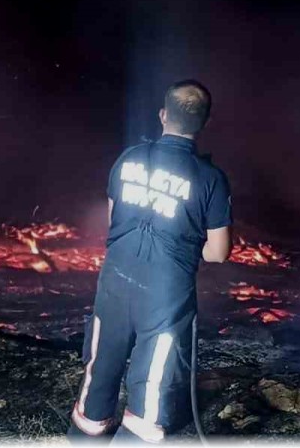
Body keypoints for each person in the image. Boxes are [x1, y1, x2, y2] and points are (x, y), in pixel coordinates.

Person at [69, 79, 233, 444]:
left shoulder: (128, 159)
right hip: (165, 296)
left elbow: (116, 221)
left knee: (101, 372)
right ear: (204, 124)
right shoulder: (211, 179)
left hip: (114, 282)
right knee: (152, 388)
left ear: (163, 115)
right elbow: (218, 252)